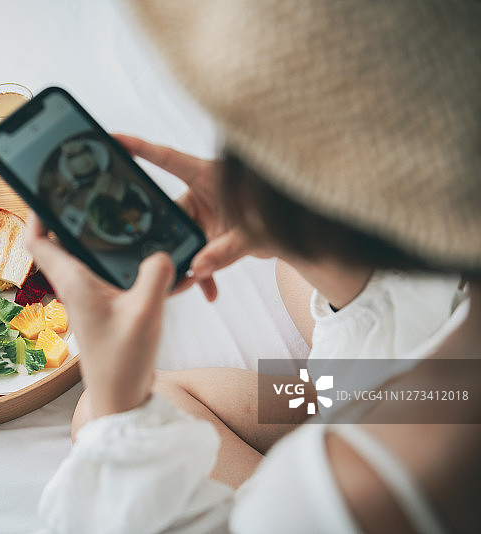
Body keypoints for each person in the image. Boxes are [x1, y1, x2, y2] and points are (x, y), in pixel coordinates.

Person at [31, 0, 481, 532]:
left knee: (98, 417)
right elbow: (442, 376)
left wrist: (116, 401)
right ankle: (327, 398)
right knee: (297, 279)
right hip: (431, 385)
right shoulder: (451, 322)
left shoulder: (343, 497)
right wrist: (305, 241)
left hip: (351, 461)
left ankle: (317, 416)